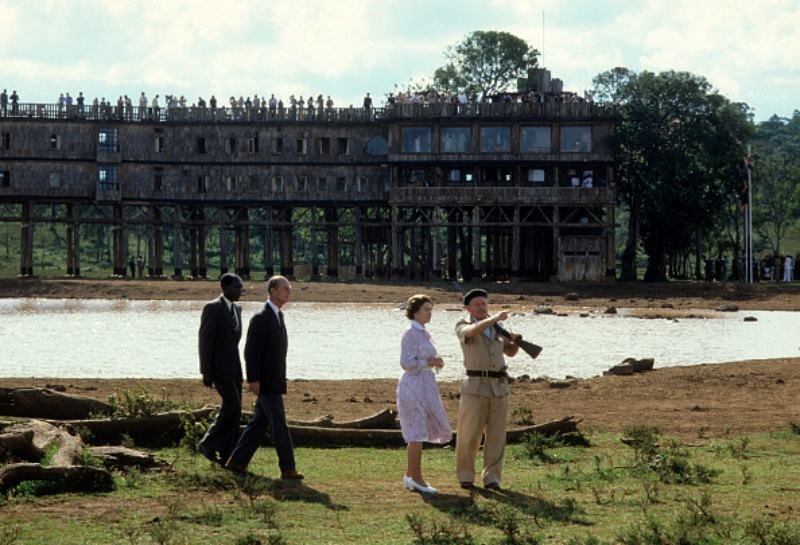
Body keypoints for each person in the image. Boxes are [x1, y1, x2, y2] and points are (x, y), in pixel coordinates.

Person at [225, 275, 303, 480]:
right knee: (279, 424)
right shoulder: (261, 317)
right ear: (273, 291)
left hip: (274, 379)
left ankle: (236, 462)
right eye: (284, 288)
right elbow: (251, 352)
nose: (289, 292)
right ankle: (288, 468)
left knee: (259, 424)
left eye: (289, 288)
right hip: (265, 382)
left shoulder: (278, 315)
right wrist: (253, 380)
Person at [454, 288, 520, 490]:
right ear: (468, 308)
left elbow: (510, 352)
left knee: (497, 436)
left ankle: (492, 479)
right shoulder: (462, 325)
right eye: (477, 304)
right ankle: (466, 476)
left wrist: (515, 341)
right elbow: (473, 332)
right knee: (469, 434)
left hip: (499, 387)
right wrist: (495, 320)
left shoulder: (497, 329)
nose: (482, 307)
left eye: (484, 303)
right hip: (475, 386)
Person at [397, 294, 452, 494]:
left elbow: (422, 358)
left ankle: (411, 475)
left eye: (431, 309)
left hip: (425, 384)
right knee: (416, 432)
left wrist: (434, 362)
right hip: (414, 386)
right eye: (426, 310)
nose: (430, 313)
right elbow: (406, 363)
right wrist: (429, 362)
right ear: (415, 312)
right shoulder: (411, 333)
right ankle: (417, 478)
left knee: (420, 429)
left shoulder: (424, 333)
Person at [197, 273, 245, 465]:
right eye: (237, 288)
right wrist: (206, 372)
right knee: (231, 406)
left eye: (241, 288)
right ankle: (207, 443)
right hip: (219, 369)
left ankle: (228, 454)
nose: (240, 291)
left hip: (235, 368)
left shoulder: (238, 309)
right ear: (224, 288)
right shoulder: (213, 308)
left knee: (235, 410)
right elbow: (205, 341)